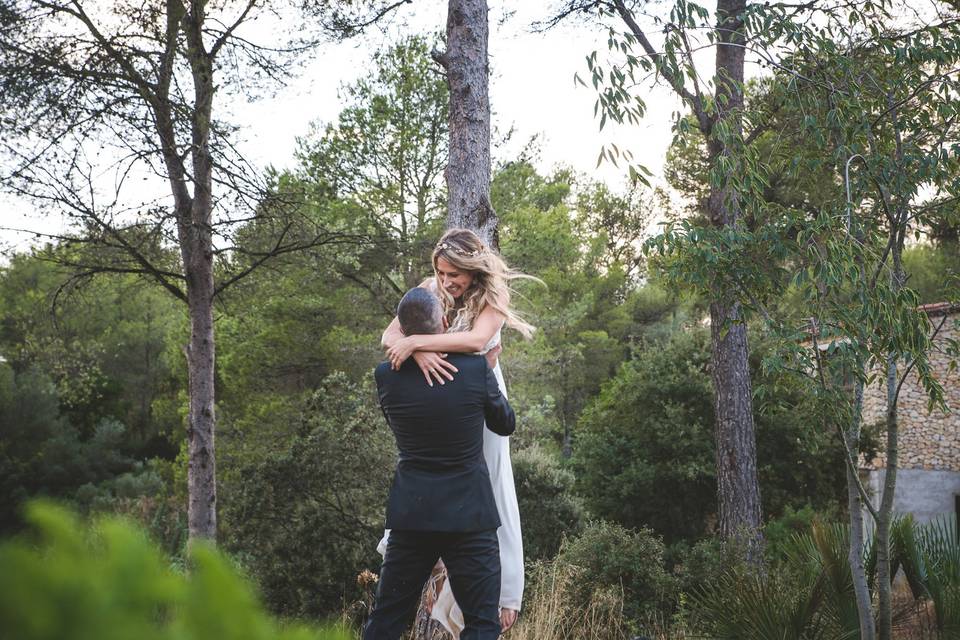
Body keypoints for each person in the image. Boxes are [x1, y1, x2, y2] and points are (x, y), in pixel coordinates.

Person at [379, 228, 534, 636]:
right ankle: (432, 564)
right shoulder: (430, 287)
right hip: (440, 383)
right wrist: (422, 348)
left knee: (491, 484)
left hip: (477, 389)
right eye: (442, 272)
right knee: (442, 473)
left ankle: (503, 593)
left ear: (473, 269)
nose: (448, 282)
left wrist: (419, 344)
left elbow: (480, 339)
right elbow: (389, 336)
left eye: (456, 275)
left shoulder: (493, 295)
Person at [364, 287, 516, 640]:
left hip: (411, 514)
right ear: (446, 322)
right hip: (469, 517)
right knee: (481, 623)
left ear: (403, 331)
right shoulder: (476, 369)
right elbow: (504, 424)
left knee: (386, 620)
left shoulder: (386, 376)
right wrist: (487, 375)